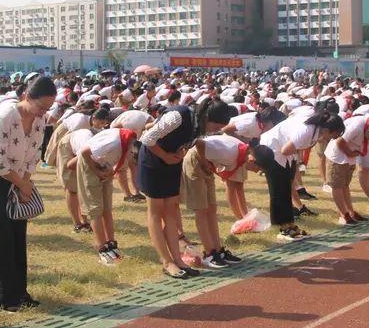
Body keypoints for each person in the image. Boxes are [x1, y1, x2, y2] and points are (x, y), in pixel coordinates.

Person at [0, 76, 53, 311]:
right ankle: (4, 297)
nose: (43, 113)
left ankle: (20, 292)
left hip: (19, 180)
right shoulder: (7, 115)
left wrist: (24, 184)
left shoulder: (40, 121)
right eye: (41, 107)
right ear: (27, 97)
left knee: (18, 236)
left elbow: (33, 157)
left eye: (48, 109)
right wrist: (22, 184)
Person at [254, 112, 344, 241]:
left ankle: (290, 225)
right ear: (326, 129)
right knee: (279, 190)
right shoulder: (307, 130)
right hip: (272, 150)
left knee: (286, 188)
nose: (330, 139)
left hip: (283, 151)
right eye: (332, 135)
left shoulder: (315, 130)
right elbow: (285, 150)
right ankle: (283, 228)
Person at [179, 100, 243, 270]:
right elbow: (197, 144)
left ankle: (218, 249)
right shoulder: (194, 124)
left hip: (205, 161)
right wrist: (205, 163)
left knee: (212, 208)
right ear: (210, 119)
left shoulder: (208, 127)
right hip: (194, 163)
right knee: (201, 210)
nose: (218, 130)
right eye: (218, 126)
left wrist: (208, 164)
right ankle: (209, 252)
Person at [138, 103, 196, 276]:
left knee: (171, 209)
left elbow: (187, 143)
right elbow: (147, 139)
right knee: (156, 211)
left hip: (172, 161)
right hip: (153, 160)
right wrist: (165, 156)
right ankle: (167, 261)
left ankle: (178, 259)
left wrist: (180, 154)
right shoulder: (177, 117)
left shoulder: (199, 126)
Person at [68, 126, 136, 266]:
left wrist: (108, 171)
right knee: (95, 209)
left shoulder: (129, 141)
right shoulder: (114, 141)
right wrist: (97, 171)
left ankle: (111, 244)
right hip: (90, 164)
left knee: (107, 208)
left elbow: (117, 158)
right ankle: (102, 248)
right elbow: (85, 152)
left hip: (103, 164)